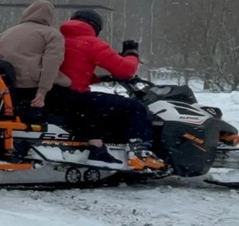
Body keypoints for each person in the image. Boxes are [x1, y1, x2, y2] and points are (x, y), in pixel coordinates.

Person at [58, 9, 164, 170]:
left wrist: (98, 78)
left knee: (101, 105)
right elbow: (125, 70)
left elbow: (71, 68)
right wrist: (132, 55)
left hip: (56, 95)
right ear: (96, 27)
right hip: (76, 97)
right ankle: (139, 153)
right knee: (134, 107)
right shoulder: (91, 42)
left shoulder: (58, 39)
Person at [0, 0, 71, 118]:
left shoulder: (4, 34)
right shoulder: (52, 35)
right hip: (30, 88)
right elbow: (51, 65)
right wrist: (42, 92)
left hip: (5, 87)